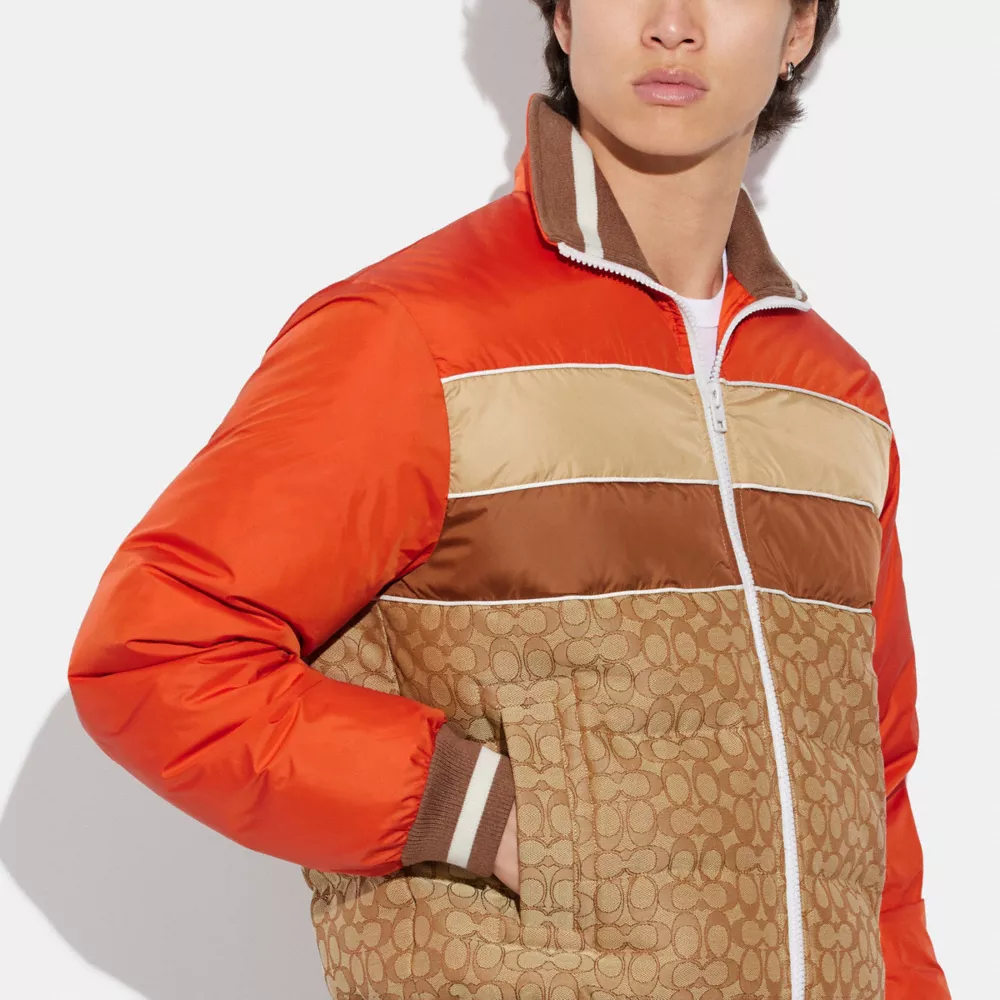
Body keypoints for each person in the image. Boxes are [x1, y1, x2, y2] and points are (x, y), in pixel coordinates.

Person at [67, 2, 951, 998]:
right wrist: (471, 809)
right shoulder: (416, 337)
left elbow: (874, 786)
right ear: (564, 17)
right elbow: (155, 653)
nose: (672, 23)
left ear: (797, 30)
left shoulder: (833, 396)